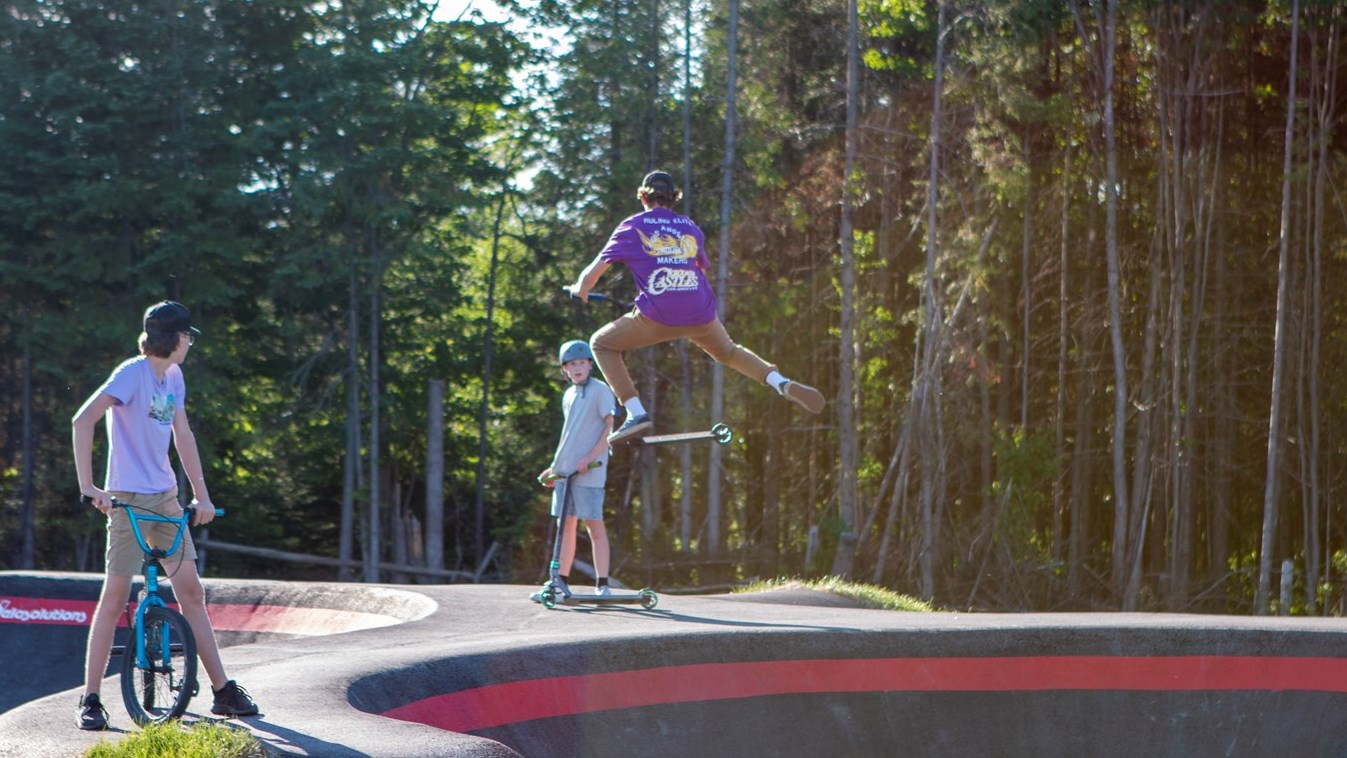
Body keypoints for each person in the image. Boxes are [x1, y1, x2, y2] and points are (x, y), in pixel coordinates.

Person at [71, 301, 258, 730]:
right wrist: (89, 487)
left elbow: (183, 434)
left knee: (191, 593)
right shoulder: (131, 373)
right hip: (127, 499)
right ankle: (91, 698)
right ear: (176, 339)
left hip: (167, 499)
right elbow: (82, 421)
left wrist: (202, 495)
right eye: (187, 336)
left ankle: (223, 691)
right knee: (114, 597)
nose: (189, 343)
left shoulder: (173, 376)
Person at [566, 170, 825, 445]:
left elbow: (590, 277)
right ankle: (779, 382)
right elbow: (697, 265)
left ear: (643, 197)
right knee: (728, 352)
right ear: (674, 198)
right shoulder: (689, 226)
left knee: (601, 344)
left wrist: (579, 291)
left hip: (657, 315)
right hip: (700, 312)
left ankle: (636, 413)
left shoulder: (632, 226)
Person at [532, 340, 615, 601]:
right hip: (565, 472)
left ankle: (602, 584)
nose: (577, 368)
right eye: (571, 364)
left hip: (590, 469)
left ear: (590, 364)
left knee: (594, 525)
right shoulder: (568, 395)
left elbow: (610, 428)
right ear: (564, 369)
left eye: (582, 362)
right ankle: (560, 581)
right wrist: (554, 468)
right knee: (564, 525)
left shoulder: (601, 391)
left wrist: (589, 458)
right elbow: (569, 437)